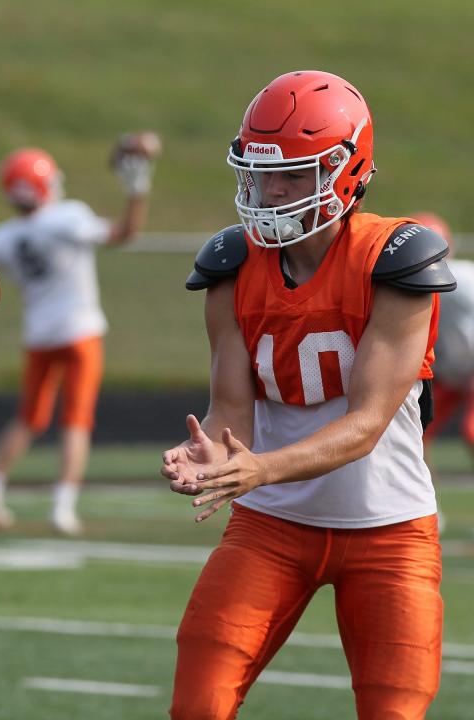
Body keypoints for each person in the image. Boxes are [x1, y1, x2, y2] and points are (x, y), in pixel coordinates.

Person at [161, 70, 453, 718]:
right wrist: (211, 450)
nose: (271, 190)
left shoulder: (395, 258)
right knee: (198, 703)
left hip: (389, 528)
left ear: (346, 170)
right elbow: (232, 409)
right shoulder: (232, 264)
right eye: (261, 174)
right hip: (273, 527)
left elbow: (365, 424)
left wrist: (260, 468)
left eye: (293, 173)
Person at [0, 136, 157, 535]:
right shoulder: (67, 217)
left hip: (38, 333)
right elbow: (124, 233)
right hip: (78, 331)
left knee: (29, 418)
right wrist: (137, 192)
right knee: (76, 421)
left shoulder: (1, 238)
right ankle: (63, 504)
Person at [418, 214, 474, 457]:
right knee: (416, 429)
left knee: (471, 430)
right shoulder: (410, 284)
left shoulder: (463, 278)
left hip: (469, 367)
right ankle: (420, 487)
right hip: (450, 371)